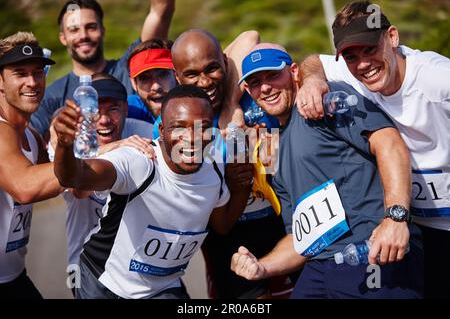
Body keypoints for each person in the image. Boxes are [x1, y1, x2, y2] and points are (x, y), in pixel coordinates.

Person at [231, 43, 424, 299]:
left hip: (374, 255)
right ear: (248, 90)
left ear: (294, 72)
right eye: (255, 82)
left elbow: (389, 143)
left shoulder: (321, 100)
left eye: (273, 75)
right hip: (320, 268)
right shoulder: (272, 151)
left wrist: (396, 219)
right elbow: (300, 242)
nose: (265, 87)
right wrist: (262, 267)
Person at [297, 0, 450, 298]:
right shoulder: (355, 76)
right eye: (351, 56)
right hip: (415, 227)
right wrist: (313, 80)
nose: (364, 64)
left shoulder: (437, 78)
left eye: (370, 49)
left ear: (392, 37)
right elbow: (313, 60)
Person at [52, 84, 253, 299]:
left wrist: (241, 187)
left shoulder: (214, 169)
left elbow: (222, 225)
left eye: (202, 126)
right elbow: (74, 177)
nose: (192, 138)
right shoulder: (139, 162)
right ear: (162, 130)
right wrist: (65, 145)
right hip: (104, 283)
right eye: (179, 128)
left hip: (162, 288)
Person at [167, 29, 295, 299]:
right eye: (192, 74)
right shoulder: (176, 119)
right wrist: (232, 174)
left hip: (278, 223)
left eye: (212, 68)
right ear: (177, 77)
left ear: (226, 63)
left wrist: (230, 107)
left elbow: (251, 36)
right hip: (227, 237)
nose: (204, 81)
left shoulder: (252, 95)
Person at [47, 73, 154, 275]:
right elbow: (77, 187)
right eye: (95, 111)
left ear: (125, 108)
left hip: (138, 264)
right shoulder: (65, 143)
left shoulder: (144, 132)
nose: (104, 120)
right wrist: (118, 146)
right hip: (86, 265)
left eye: (113, 109)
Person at [30, 0, 175, 136]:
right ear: (63, 37)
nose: (83, 35)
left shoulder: (131, 67)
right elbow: (29, 139)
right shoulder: (52, 96)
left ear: (102, 30)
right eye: (74, 30)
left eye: (91, 27)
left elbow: (161, 11)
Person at [0, 32, 64, 298]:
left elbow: (55, 182)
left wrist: (63, 142)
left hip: (14, 277)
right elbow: (26, 186)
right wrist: (99, 153)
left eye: (38, 72)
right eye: (20, 73)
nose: (32, 82)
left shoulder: (31, 136)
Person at [126, 39, 177, 125]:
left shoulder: (199, 109)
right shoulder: (125, 109)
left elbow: (201, 138)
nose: (156, 86)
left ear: (177, 75)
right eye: (145, 78)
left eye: (163, 74)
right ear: (134, 83)